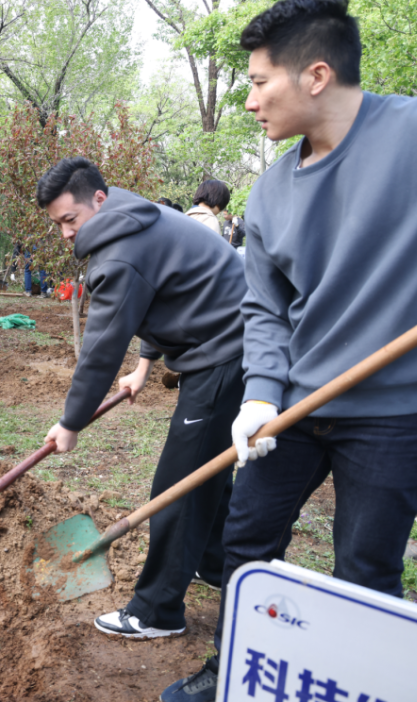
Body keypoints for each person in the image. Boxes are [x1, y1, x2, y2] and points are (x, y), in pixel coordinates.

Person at [159, 0, 417, 702]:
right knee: (247, 540)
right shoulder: (270, 194)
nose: (250, 101)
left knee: (365, 566)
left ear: (316, 75)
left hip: (399, 413)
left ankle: (357, 694)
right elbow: (265, 307)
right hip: (294, 405)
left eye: (260, 82)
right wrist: (261, 391)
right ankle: (240, 662)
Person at [36, 157, 247, 642]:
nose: (66, 233)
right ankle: (215, 564)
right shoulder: (135, 215)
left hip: (226, 351)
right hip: (228, 340)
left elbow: (100, 350)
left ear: (98, 199)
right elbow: (168, 293)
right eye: (58, 224)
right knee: (207, 467)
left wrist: (71, 422)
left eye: (70, 219)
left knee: (181, 481)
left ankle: (157, 611)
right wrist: (144, 367)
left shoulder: (118, 255)